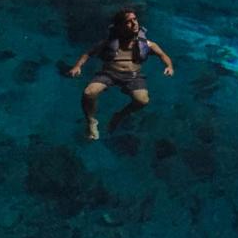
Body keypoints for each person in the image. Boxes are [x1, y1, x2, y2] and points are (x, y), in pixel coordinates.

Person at [68, 8, 174, 140]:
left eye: (135, 19)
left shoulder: (146, 44)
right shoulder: (108, 43)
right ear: (120, 26)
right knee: (89, 93)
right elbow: (88, 53)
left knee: (142, 101)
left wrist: (169, 66)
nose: (134, 23)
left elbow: (163, 55)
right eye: (129, 21)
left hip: (133, 76)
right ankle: (91, 121)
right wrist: (77, 66)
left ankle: (120, 115)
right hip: (109, 74)